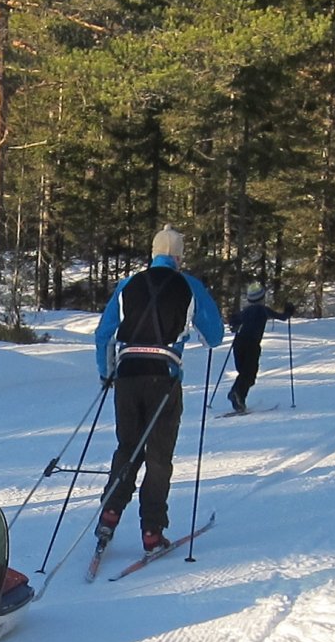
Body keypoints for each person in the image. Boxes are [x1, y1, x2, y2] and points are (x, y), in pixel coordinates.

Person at [92, 226, 225, 552]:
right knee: (159, 456)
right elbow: (214, 336)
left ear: (153, 254)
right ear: (179, 256)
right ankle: (152, 530)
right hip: (164, 376)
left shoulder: (127, 284)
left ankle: (110, 512)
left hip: (126, 375)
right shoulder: (189, 285)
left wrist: (106, 372)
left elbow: (103, 334)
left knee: (128, 447)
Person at [225, 285, 294, 413]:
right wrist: (289, 311)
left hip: (238, 343)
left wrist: (234, 324)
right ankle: (236, 394)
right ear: (261, 299)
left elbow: (234, 322)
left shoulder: (245, 311)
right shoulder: (263, 310)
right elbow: (282, 317)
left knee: (244, 373)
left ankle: (238, 398)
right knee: (249, 374)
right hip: (252, 344)